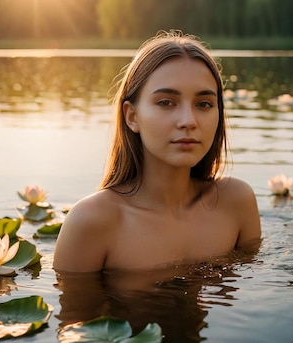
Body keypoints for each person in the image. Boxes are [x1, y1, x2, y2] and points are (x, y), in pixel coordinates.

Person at [53, 30, 261, 273]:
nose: (188, 121)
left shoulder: (236, 202)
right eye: (166, 102)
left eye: (204, 104)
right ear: (132, 116)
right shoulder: (92, 223)